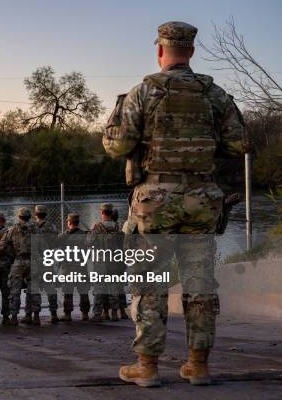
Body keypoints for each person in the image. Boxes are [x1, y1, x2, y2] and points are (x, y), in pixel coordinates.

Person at [103, 21, 245, 387]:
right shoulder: (215, 95)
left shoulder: (143, 92)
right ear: (192, 52)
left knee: (150, 283)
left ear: (160, 51)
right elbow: (238, 144)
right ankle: (198, 364)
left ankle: (147, 367)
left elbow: (117, 145)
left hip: (154, 202)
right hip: (202, 201)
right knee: (200, 284)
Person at [0, 207, 40, 326]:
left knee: (15, 290)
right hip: (33, 261)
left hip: (18, 260)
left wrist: (11, 252)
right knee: (34, 290)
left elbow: (2, 245)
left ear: (19, 217)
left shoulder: (12, 229)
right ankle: (34, 316)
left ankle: (14, 317)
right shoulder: (36, 229)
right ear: (29, 217)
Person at [89, 203, 121, 323]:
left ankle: (97, 313)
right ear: (112, 213)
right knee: (113, 286)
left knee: (99, 287)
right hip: (113, 260)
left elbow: (89, 242)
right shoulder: (117, 226)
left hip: (100, 261)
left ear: (102, 212)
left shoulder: (97, 226)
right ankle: (114, 313)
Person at [59, 213, 90, 322]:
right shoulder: (85, 235)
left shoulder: (63, 236)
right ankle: (85, 314)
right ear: (78, 222)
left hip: (68, 268)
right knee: (84, 291)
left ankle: (67, 314)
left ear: (69, 223)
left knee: (68, 292)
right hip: (81, 267)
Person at [32, 205, 60, 324]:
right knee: (51, 288)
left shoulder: (32, 227)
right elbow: (56, 242)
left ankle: (36, 315)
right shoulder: (52, 227)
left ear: (35, 214)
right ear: (46, 214)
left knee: (35, 288)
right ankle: (54, 314)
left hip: (35, 260)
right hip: (48, 259)